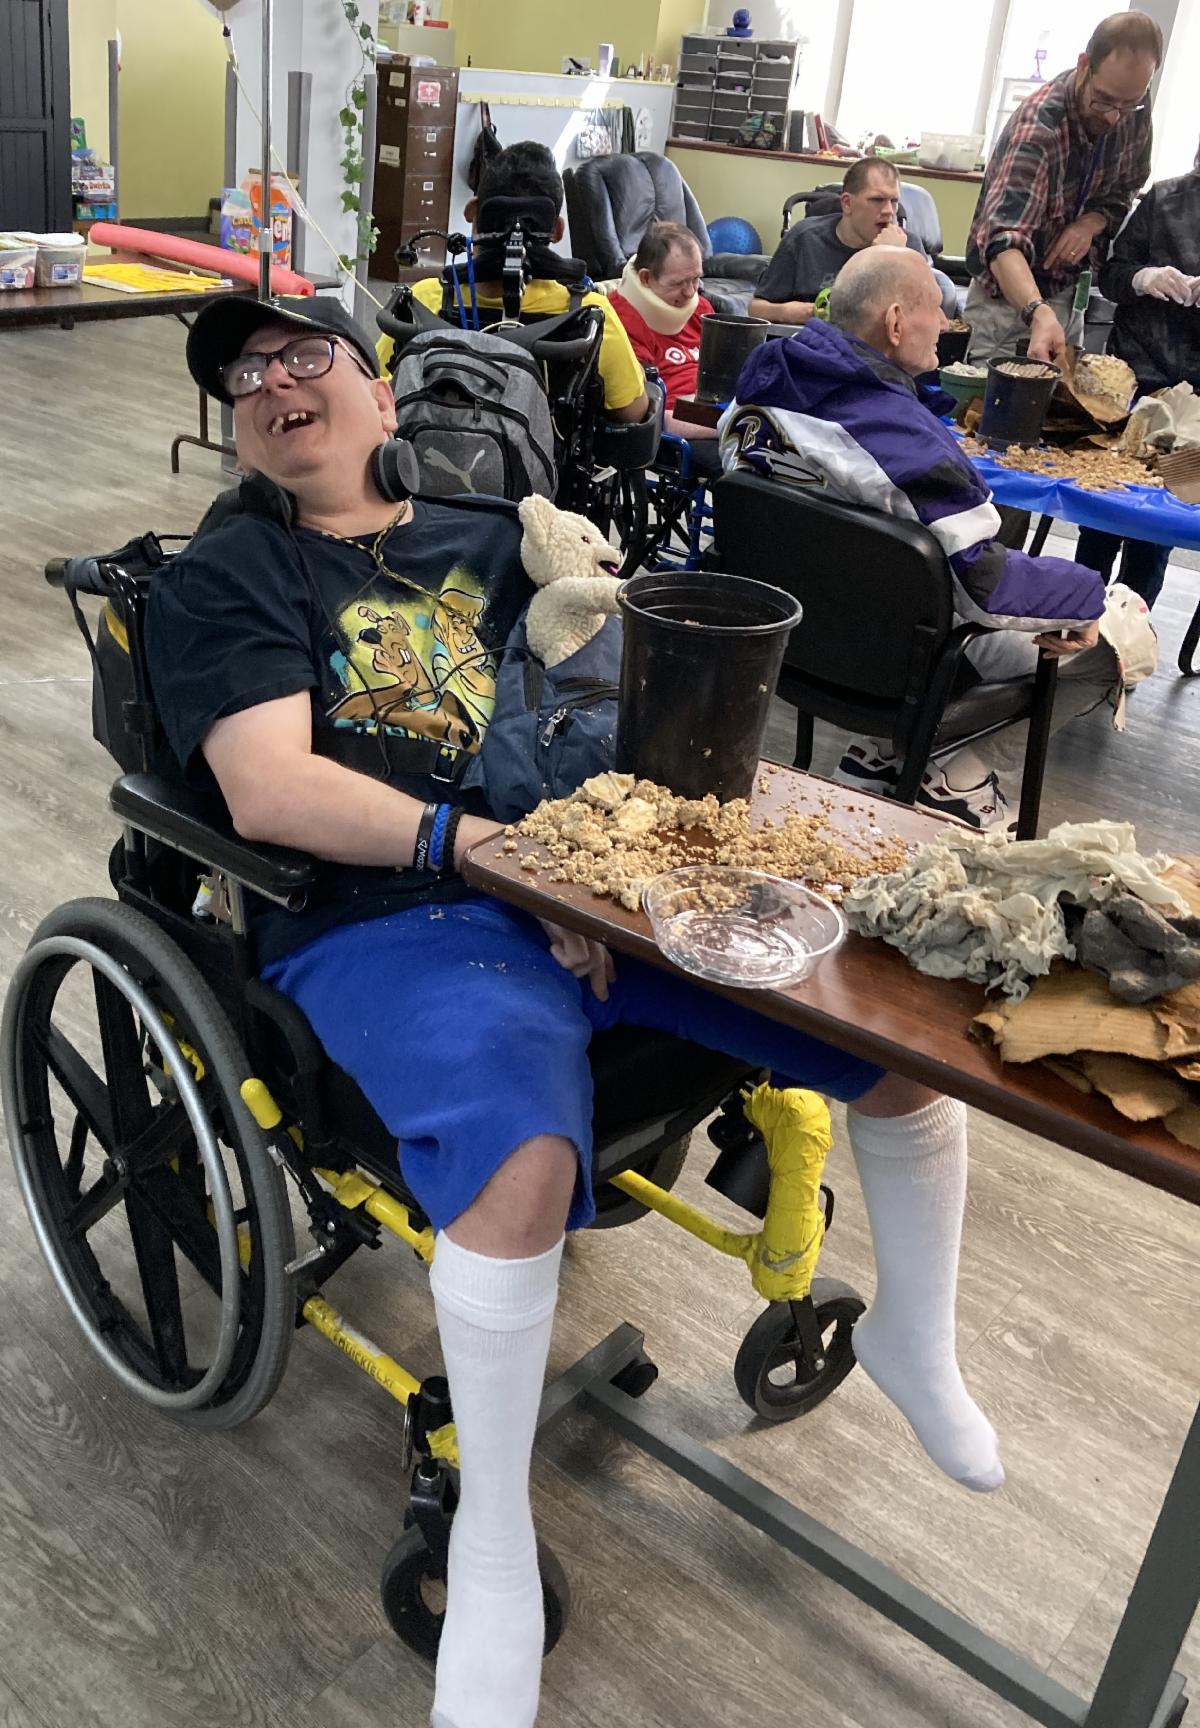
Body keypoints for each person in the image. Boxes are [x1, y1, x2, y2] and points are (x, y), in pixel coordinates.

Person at [149, 289, 1008, 1728]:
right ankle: (491, 1545)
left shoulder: (500, 537)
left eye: (305, 355)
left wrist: (590, 865)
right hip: (382, 914)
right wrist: (490, 857)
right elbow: (268, 790)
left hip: (580, 875)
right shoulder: (236, 574)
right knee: (523, 1160)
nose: (274, 382)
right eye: (244, 377)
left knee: (894, 1023)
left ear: (380, 390)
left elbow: (594, 708)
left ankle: (917, 1343)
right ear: (239, 429)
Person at [722, 248, 1126, 830]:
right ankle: (951, 779)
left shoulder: (755, 395)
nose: (945, 323)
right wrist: (1089, 596)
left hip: (790, 641)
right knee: (1105, 656)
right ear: (895, 322)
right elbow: (987, 587)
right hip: (889, 666)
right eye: (936, 309)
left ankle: (881, 756)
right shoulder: (901, 443)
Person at [377, 140, 650, 425]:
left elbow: (377, 388)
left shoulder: (423, 301)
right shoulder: (588, 314)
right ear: (557, 230)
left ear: (472, 211)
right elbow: (633, 413)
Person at [965, 10, 1162, 366]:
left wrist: (1092, 222)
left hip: (1069, 296)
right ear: (1084, 65)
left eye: (1127, 104)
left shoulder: (1133, 106)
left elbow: (1128, 185)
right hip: (1007, 306)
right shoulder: (1037, 131)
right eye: (1103, 100)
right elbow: (1003, 244)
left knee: (1066, 399)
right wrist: (1038, 313)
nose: (1113, 116)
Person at [1074, 145, 1200, 610]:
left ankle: (1129, 629)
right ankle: (1073, 618)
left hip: (1194, 404)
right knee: (1104, 509)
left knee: (1158, 526)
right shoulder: (1164, 199)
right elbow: (1111, 276)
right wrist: (1143, 278)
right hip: (1136, 375)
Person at [748, 157, 957, 326]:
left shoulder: (906, 246)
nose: (888, 211)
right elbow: (756, 308)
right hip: (812, 346)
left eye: (894, 201)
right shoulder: (804, 238)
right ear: (847, 203)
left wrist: (887, 258)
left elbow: (935, 318)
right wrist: (794, 312)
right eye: (877, 200)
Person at [607, 219, 723, 479]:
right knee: (745, 467)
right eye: (678, 283)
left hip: (718, 408)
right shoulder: (621, 320)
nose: (690, 292)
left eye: (696, 279)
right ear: (646, 278)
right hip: (670, 423)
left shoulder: (701, 309)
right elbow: (651, 413)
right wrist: (729, 421)